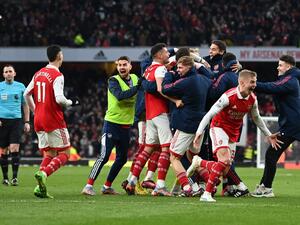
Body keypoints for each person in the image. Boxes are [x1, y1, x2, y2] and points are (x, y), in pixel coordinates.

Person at [188, 69, 282, 202]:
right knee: (224, 160)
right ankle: (206, 194)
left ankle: (199, 162)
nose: (255, 85)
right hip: (219, 128)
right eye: (252, 82)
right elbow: (210, 113)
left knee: (225, 167)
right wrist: (199, 131)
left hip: (233, 133)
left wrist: (268, 134)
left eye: (255, 82)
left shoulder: (252, 99)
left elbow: (257, 118)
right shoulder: (228, 96)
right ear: (242, 82)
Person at [24, 45, 79, 198]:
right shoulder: (57, 75)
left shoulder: (38, 73)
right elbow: (59, 98)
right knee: (65, 153)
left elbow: (26, 94)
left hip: (39, 120)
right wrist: (71, 102)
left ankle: (40, 189)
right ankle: (44, 173)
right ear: (59, 56)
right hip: (53, 119)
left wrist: (36, 111)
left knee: (49, 153)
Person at [126, 43, 181, 196]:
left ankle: (132, 181)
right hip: (160, 112)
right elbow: (160, 89)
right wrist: (175, 99)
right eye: (165, 52)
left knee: (149, 148)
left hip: (149, 114)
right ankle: (160, 186)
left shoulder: (149, 68)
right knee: (166, 148)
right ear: (158, 55)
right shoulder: (160, 69)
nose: (167, 54)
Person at [81, 56, 140, 196]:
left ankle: (107, 186)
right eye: (119, 65)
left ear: (130, 66)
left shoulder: (135, 78)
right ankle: (88, 186)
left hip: (126, 126)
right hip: (112, 124)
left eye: (124, 64)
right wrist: (138, 87)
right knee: (104, 156)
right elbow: (120, 96)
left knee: (122, 158)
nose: (122, 67)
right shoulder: (113, 80)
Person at [162, 56, 211, 196]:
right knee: (193, 157)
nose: (178, 70)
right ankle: (210, 182)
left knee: (174, 157)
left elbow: (165, 89)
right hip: (200, 126)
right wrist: (199, 65)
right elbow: (211, 76)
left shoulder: (184, 82)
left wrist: (169, 73)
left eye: (180, 67)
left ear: (189, 67)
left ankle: (187, 187)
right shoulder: (204, 80)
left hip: (186, 125)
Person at [252, 55, 300, 197]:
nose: (277, 68)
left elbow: (271, 87)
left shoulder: (290, 80)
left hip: (293, 125)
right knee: (271, 154)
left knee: (272, 154)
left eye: (280, 65)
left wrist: (253, 84)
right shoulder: (290, 79)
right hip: (292, 124)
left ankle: (266, 188)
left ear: (289, 67)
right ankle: (264, 186)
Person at [0, 64, 30, 186]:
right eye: (6, 71)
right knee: (3, 150)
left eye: (10, 71)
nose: (8, 73)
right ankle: (5, 178)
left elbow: (26, 105)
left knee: (14, 148)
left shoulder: (21, 86)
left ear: (14, 73)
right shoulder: (0, 87)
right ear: (3, 74)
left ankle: (15, 178)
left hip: (16, 121)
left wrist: (27, 122)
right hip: (2, 121)